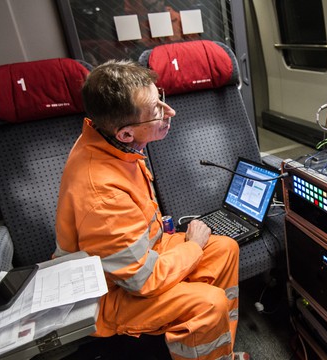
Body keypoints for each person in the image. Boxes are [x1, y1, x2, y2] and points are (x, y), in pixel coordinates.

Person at [54, 59, 246, 360]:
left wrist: (191, 250)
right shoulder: (102, 194)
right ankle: (202, 333)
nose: (170, 112)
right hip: (107, 293)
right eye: (156, 111)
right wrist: (192, 246)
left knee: (225, 248)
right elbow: (142, 281)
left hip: (140, 258)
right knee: (208, 303)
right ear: (126, 134)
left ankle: (218, 350)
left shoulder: (110, 141)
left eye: (162, 99)